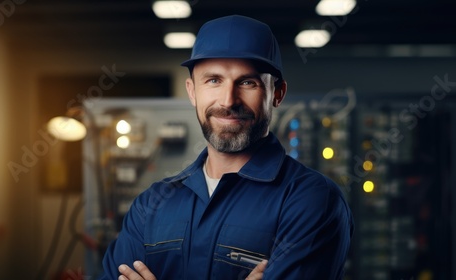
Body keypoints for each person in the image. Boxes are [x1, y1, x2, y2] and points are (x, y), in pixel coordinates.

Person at [99, 15, 354, 280]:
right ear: (192, 91)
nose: (228, 100)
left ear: (277, 94)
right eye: (213, 80)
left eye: (247, 82)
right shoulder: (151, 204)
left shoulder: (311, 201)